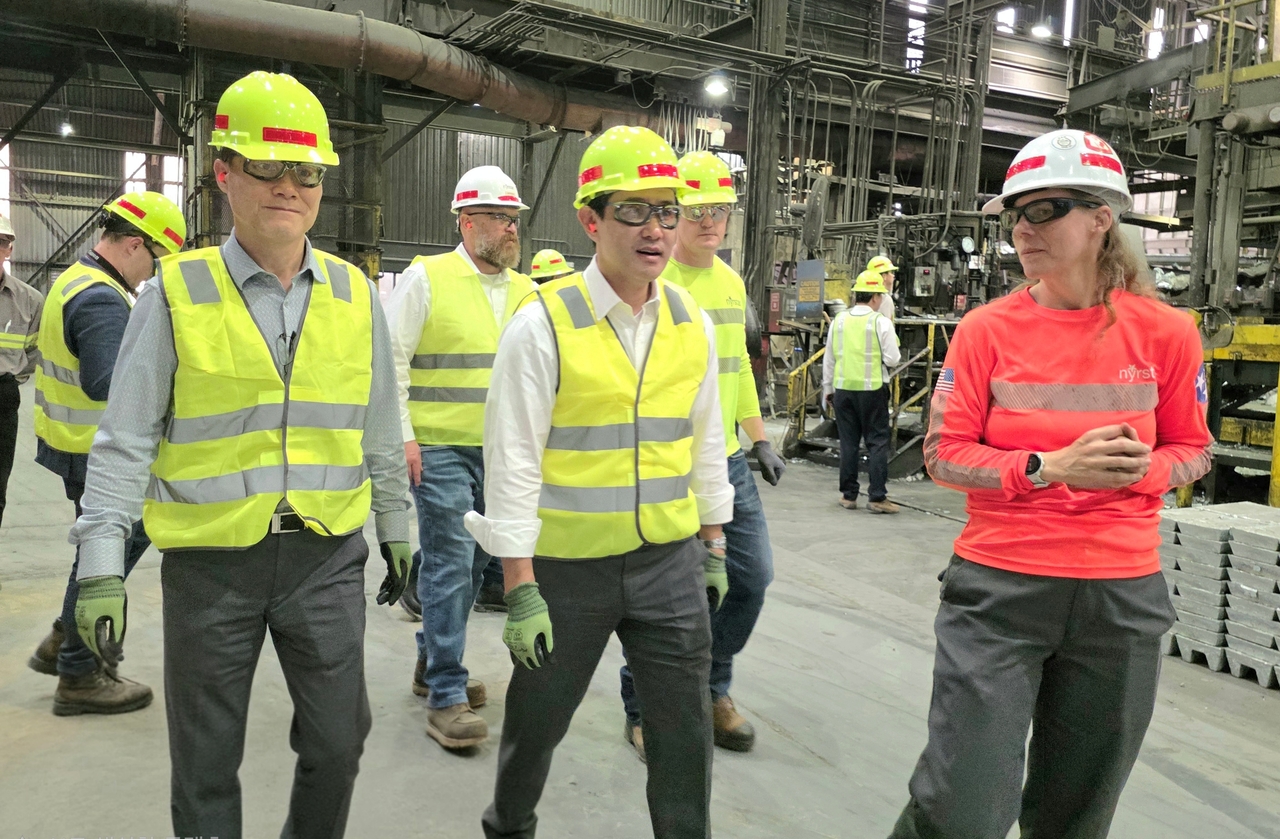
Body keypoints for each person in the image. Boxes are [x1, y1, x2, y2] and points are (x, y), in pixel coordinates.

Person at [67, 71, 412, 839]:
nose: (290, 187)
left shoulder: (358, 297)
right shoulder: (174, 293)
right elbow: (126, 440)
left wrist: (399, 521)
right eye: (268, 167)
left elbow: (382, 426)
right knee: (206, 759)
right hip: (211, 565)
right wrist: (98, 562)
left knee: (338, 739)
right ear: (224, 173)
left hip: (326, 556)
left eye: (307, 171)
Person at [887, 129, 1213, 839]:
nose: (1021, 229)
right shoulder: (985, 331)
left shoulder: (1168, 333)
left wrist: (1147, 469)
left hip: (1121, 600)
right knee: (965, 805)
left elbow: (1195, 449)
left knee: (1077, 814)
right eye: (1015, 213)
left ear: (1102, 219)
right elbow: (942, 456)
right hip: (1001, 592)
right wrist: (1045, 468)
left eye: (1045, 210)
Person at [464, 125, 734, 839]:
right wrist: (519, 585)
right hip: (568, 570)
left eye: (668, 210)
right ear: (591, 219)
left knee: (683, 733)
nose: (658, 230)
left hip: (669, 562)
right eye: (634, 211)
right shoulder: (544, 326)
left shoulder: (691, 321)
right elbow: (513, 462)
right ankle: (509, 823)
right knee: (537, 721)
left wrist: (714, 540)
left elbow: (706, 437)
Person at [618, 149, 784, 761]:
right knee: (661, 596)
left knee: (751, 577)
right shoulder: (650, 279)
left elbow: (737, 367)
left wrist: (759, 435)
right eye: (696, 210)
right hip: (665, 460)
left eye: (720, 210)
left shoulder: (730, 281)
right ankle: (645, 707)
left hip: (727, 459)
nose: (710, 222)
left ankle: (711, 686)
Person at [385, 164, 534, 750]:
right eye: (500, 218)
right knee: (450, 560)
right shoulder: (427, 279)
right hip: (440, 445)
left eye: (515, 219)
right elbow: (392, 361)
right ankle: (447, 691)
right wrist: (404, 437)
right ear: (468, 221)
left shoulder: (526, 291)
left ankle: (430, 662)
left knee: (475, 565)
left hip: (501, 453)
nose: (511, 230)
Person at [26, 191, 186, 717]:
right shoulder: (100, 298)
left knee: (95, 551)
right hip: (96, 454)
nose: (154, 274)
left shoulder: (73, 278)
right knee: (106, 554)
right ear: (136, 244)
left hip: (72, 446)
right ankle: (79, 673)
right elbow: (110, 384)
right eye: (157, 259)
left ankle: (61, 638)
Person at [823, 270, 901, 514]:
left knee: (848, 443)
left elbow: (829, 359)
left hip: (843, 390)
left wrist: (827, 389)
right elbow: (893, 358)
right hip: (873, 390)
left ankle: (848, 496)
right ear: (876, 297)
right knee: (877, 442)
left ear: (856, 294)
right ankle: (877, 497)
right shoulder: (881, 322)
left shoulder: (839, 321)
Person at [0, 213, 42, 527]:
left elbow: (33, 351)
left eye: (0, 243)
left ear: (9, 249)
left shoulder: (29, 300)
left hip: (3, 395)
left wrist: (12, 376)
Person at [867, 255, 897, 321]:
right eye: (891, 272)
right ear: (884, 276)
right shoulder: (885, 299)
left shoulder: (866, 294)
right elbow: (885, 328)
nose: (893, 276)